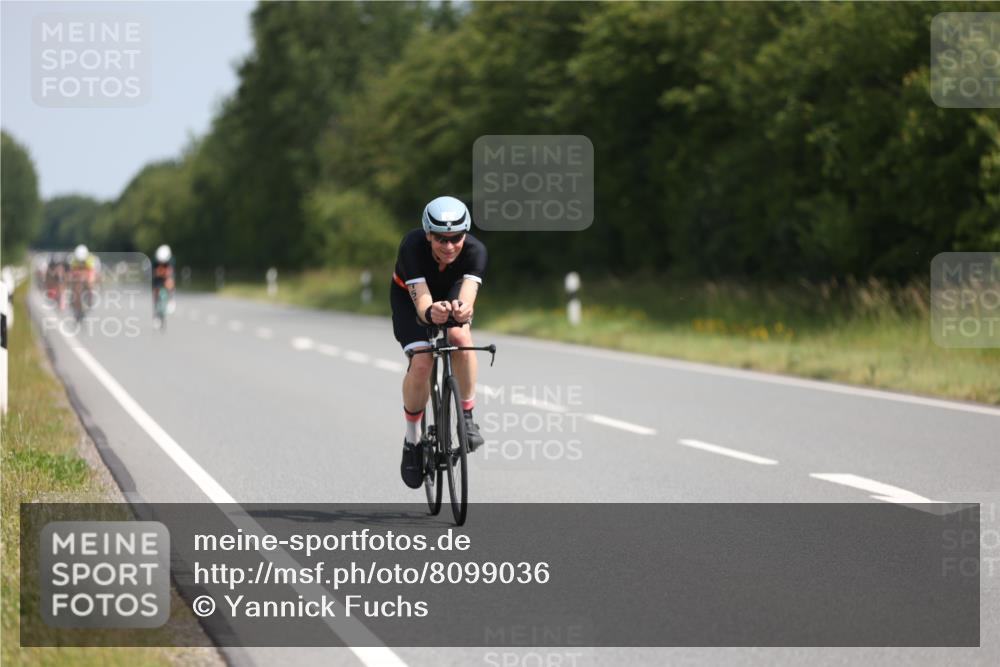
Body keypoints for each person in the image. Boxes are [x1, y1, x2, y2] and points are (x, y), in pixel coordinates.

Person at [391, 196, 487, 488]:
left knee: (460, 335)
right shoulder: (412, 246)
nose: (449, 246)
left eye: (456, 238)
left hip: (450, 291)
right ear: (428, 234)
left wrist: (463, 311)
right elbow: (422, 304)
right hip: (411, 299)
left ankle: (467, 415)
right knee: (421, 362)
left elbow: (467, 297)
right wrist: (431, 312)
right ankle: (412, 440)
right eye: (441, 239)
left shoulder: (476, 251)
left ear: (465, 234)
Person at [152, 245, 175, 325]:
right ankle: (156, 314)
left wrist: (168, 276)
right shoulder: (155, 261)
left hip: (165, 278)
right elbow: (152, 273)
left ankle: (171, 300)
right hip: (157, 279)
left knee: (170, 283)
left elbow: (170, 271)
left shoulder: (170, 261)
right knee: (155, 291)